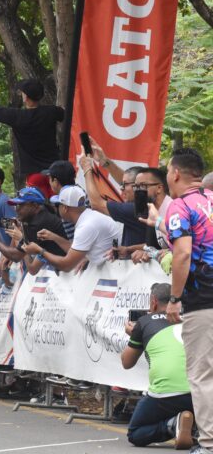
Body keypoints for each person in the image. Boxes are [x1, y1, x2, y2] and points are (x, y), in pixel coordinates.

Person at [153, 148, 213, 454]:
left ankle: (209, 444)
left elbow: (183, 253)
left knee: (203, 374)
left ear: (175, 173)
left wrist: (174, 298)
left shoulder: (180, 206)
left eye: (167, 172)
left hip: (203, 299)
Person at [121, 283, 194, 449]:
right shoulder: (193, 319)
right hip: (201, 391)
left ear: (153, 302)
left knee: (135, 433)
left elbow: (127, 363)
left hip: (166, 393)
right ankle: (195, 428)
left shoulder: (144, 322)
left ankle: (173, 425)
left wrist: (135, 336)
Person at [0, 72, 63, 191]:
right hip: (55, 173)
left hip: (34, 175)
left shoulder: (17, 116)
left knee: (36, 208)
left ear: (25, 97)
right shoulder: (52, 112)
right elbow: (67, 113)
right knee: (60, 205)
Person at [24, 186, 122, 271]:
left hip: (115, 273)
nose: (56, 209)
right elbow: (74, 250)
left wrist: (40, 251)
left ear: (65, 208)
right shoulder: (88, 217)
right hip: (112, 269)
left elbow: (66, 265)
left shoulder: (86, 226)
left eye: (57, 205)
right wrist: (53, 237)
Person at [0, 187, 67, 275]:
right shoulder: (32, 219)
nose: (16, 209)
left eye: (20, 205)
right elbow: (1, 223)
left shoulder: (39, 223)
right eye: (15, 205)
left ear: (34, 205)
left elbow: (17, 256)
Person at [80, 152, 146, 247]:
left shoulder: (135, 209)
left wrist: (87, 168)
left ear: (138, 186)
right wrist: (104, 160)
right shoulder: (147, 203)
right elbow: (130, 180)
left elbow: (96, 204)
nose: (121, 188)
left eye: (124, 185)